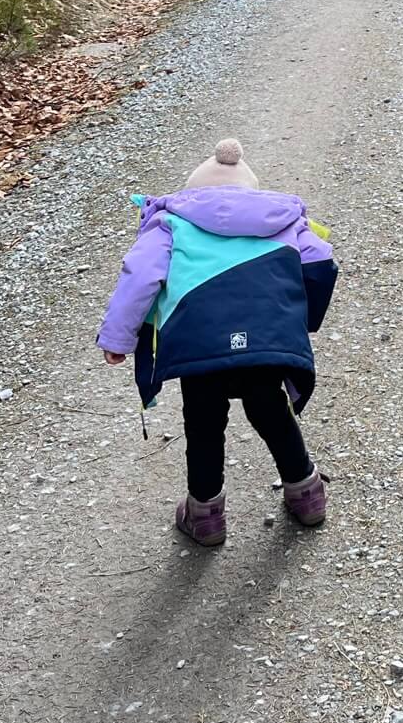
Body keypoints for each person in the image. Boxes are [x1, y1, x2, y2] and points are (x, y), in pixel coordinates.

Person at [96, 138, 338, 547]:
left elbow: (140, 277)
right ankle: (307, 495)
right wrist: (299, 322)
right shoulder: (283, 219)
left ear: (193, 191)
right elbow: (319, 263)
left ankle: (205, 517)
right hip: (266, 339)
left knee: (204, 425)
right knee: (271, 410)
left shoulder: (171, 221)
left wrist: (118, 338)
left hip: (200, 345)